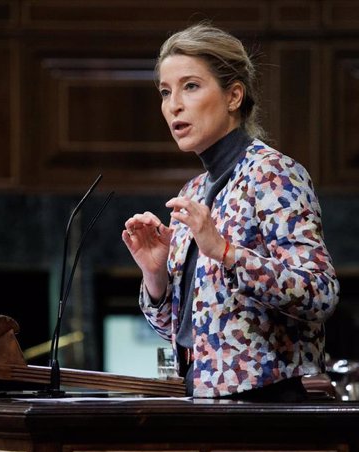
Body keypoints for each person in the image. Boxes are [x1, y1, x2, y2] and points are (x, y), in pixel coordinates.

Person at [121, 22, 340, 400]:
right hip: (199, 397)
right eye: (165, 91)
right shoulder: (193, 191)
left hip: (264, 404)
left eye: (190, 86)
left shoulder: (273, 174)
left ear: (233, 95)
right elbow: (187, 330)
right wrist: (156, 277)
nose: (173, 104)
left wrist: (226, 252)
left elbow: (320, 292)